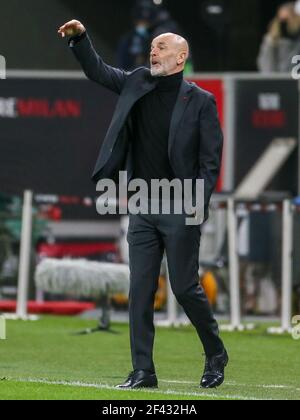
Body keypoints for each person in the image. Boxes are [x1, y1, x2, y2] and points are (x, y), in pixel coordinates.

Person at [58, 19, 228, 390]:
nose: (154, 51)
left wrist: (195, 205)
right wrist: (81, 39)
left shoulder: (201, 101)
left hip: (181, 205)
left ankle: (215, 352)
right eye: (153, 46)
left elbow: (209, 163)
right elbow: (98, 71)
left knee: (185, 288)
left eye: (163, 47)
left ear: (181, 57)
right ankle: (143, 371)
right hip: (143, 204)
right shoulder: (137, 81)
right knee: (140, 289)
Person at [257, 1, 300, 72]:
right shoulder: (271, 41)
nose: (286, 24)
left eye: (290, 18)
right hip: (278, 80)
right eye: (283, 21)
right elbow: (266, 68)